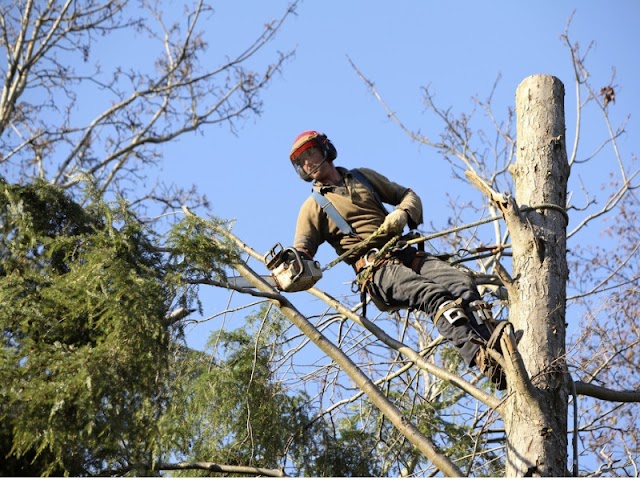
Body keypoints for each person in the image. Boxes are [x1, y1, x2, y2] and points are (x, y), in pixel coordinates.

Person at [288, 130, 508, 390]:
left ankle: (499, 351)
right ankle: (483, 358)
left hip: (406, 253)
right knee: (432, 294)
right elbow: (301, 251)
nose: (307, 164)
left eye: (310, 154)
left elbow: (408, 195)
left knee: (461, 284)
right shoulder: (313, 206)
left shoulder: (362, 177)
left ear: (325, 150)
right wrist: (289, 270)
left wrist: (402, 214)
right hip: (376, 270)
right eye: (301, 161)